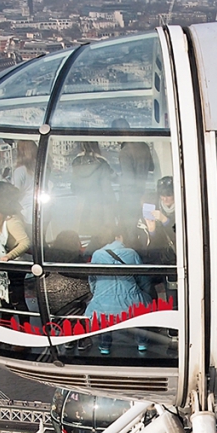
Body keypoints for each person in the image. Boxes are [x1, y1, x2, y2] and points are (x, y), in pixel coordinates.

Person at [85, 223, 149, 354]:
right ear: (119, 237)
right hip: (130, 301)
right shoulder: (131, 253)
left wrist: (96, 293)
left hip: (103, 303)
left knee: (104, 314)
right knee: (142, 305)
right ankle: (142, 343)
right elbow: (142, 277)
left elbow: (92, 278)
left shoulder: (97, 254)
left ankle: (105, 345)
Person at [0, 181, 33, 308]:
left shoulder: (11, 220)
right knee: (9, 300)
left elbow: (25, 242)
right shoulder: (1, 217)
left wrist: (9, 256)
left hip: (14, 266)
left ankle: (19, 324)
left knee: (16, 300)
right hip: (8, 266)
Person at [70, 144, 116, 239]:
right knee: (100, 236)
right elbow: (106, 188)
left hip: (81, 205)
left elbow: (73, 187)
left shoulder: (76, 162)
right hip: (99, 205)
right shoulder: (102, 163)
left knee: (84, 235)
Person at [115, 118, 155, 219]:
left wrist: (115, 177)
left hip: (129, 199)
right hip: (143, 193)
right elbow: (151, 167)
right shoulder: (144, 146)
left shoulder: (125, 152)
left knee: (129, 229)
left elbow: (129, 180)